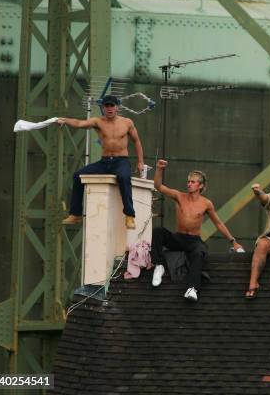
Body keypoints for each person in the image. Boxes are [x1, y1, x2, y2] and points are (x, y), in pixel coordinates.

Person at [150, 159, 243, 302]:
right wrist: (159, 169)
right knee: (157, 231)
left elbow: (218, 223)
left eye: (193, 182)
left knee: (199, 252)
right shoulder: (179, 196)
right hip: (178, 237)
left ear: (200, 186)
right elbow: (158, 186)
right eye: (188, 181)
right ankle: (159, 265)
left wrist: (233, 242)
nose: (189, 184)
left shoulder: (206, 203)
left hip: (194, 241)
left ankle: (192, 288)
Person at [59, 95, 144, 229]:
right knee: (77, 176)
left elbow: (137, 141)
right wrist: (65, 120)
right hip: (104, 162)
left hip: (121, 161)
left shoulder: (127, 122)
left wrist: (140, 162)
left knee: (123, 177)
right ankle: (75, 214)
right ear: (103, 108)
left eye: (112, 106)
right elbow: (80, 123)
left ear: (117, 107)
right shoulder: (98, 122)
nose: (109, 109)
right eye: (107, 106)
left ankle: (129, 215)